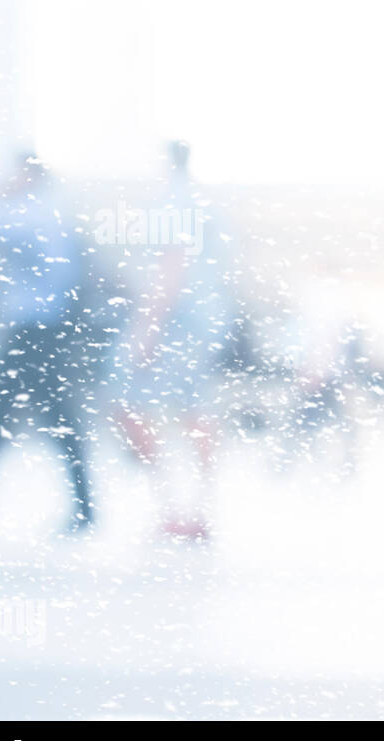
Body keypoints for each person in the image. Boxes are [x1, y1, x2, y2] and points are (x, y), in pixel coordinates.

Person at [0, 153, 95, 536]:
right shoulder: (49, 209)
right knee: (51, 419)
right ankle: (84, 507)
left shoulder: (35, 212)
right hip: (39, 333)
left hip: (33, 333)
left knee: (0, 417)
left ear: (28, 174)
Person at [113, 141, 234, 540]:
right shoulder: (203, 201)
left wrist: (147, 328)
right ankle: (194, 507)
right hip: (203, 319)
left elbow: (171, 265)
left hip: (178, 322)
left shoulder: (173, 201)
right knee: (193, 409)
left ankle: (176, 507)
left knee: (134, 405)